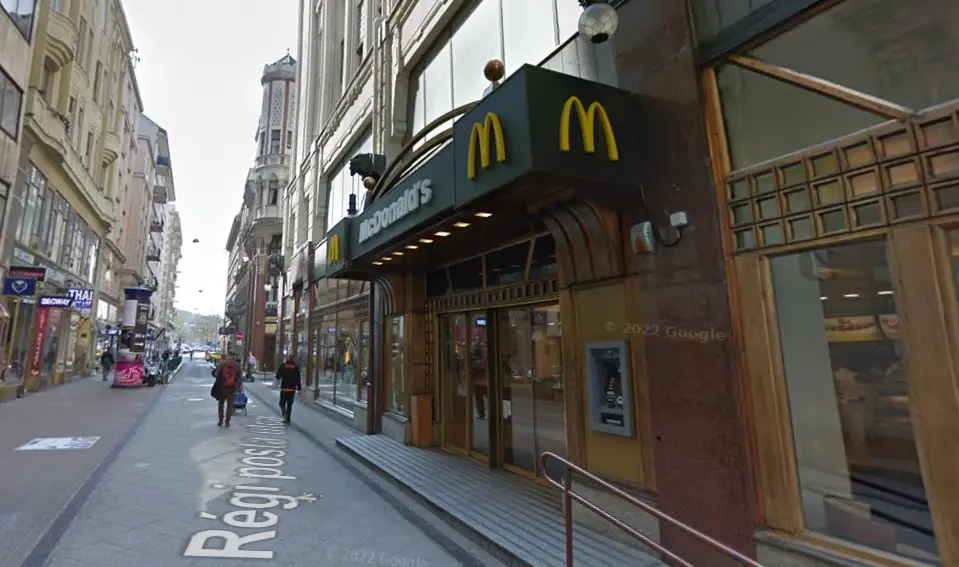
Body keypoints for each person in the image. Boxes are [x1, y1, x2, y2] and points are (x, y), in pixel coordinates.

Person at [212, 352, 242, 427]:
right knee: (229, 405)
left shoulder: (222, 364)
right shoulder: (237, 365)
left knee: (221, 404)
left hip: (222, 387)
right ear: (234, 357)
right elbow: (240, 377)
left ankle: (220, 420)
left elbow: (216, 374)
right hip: (232, 388)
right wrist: (239, 387)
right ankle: (227, 422)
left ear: (228, 356)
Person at [275, 357, 302, 424]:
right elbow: (298, 379)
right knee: (289, 405)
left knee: (281, 403)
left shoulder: (283, 366)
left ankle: (284, 414)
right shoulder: (296, 368)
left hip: (284, 388)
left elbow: (278, 376)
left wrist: (277, 381)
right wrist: (299, 388)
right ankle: (288, 419)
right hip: (292, 389)